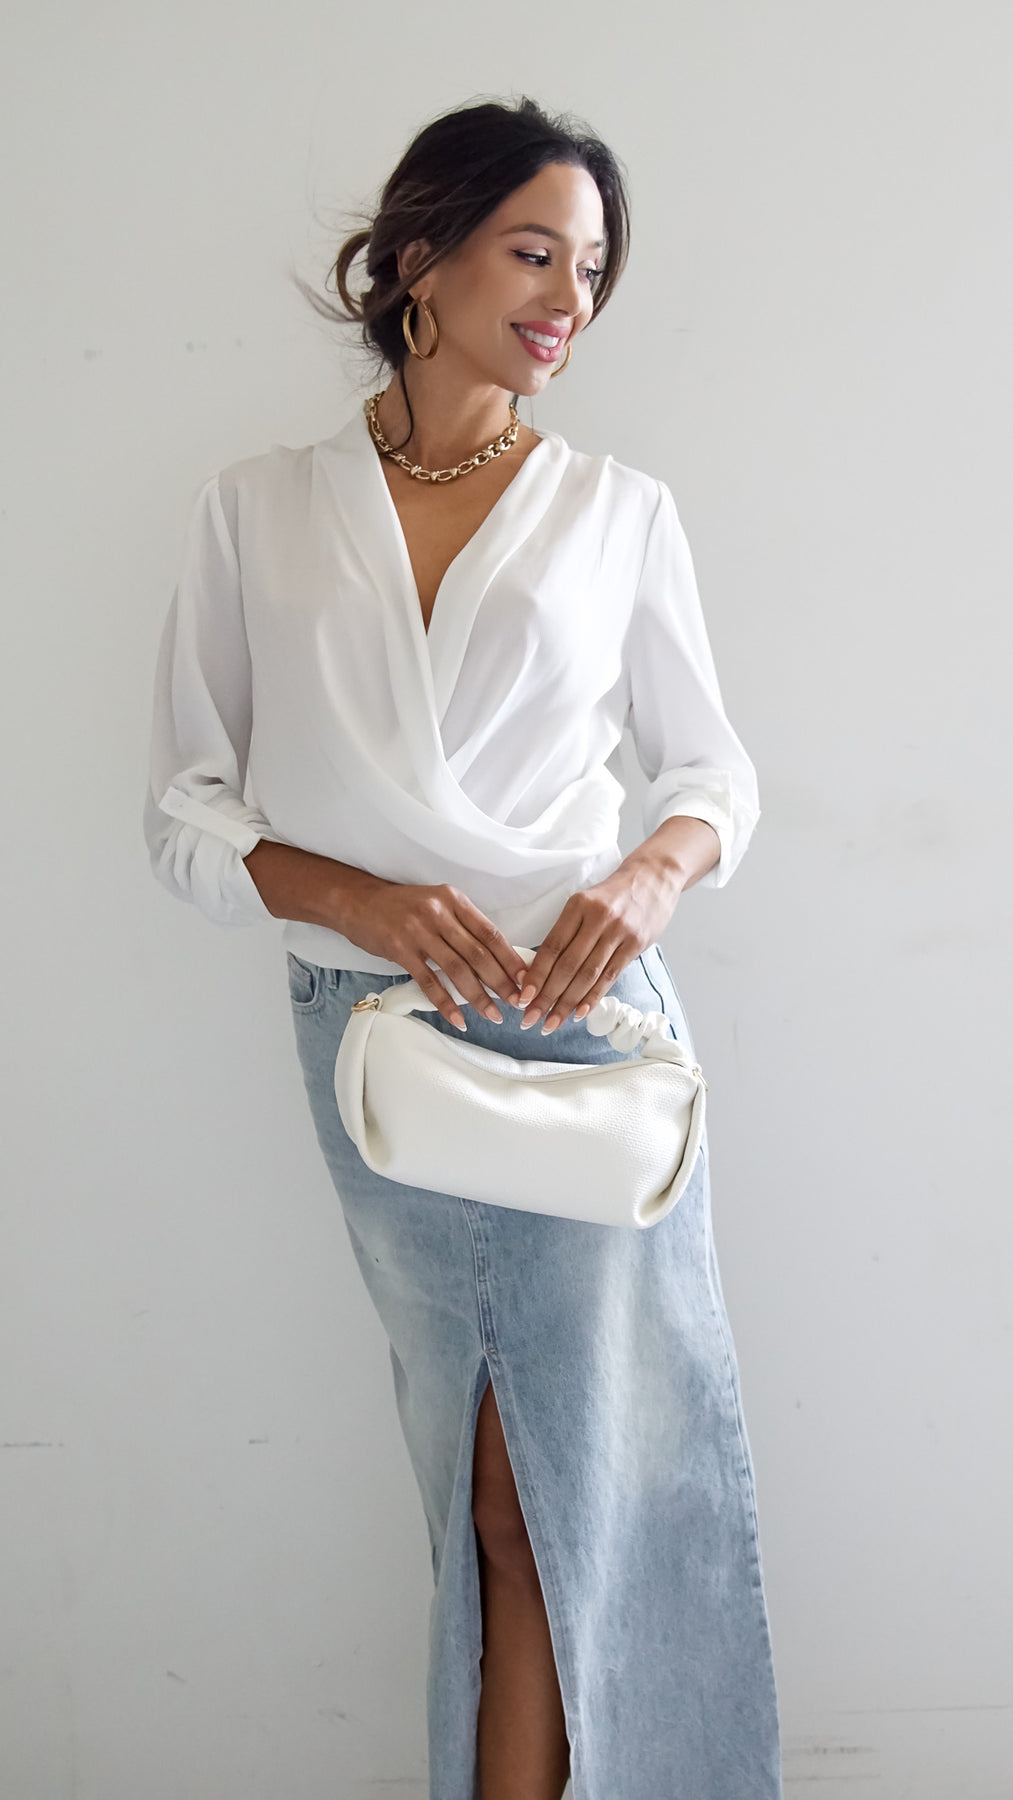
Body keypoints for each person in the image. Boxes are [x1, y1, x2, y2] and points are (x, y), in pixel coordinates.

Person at [143, 94, 783, 1800]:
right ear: (419, 258)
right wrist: (356, 899)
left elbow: (711, 777)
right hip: (376, 1047)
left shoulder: (618, 509)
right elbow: (185, 812)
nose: (571, 297)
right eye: (533, 252)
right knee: (485, 1484)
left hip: (584, 1030)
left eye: (592, 267)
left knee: (592, 1484)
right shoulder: (256, 508)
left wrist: (644, 882)